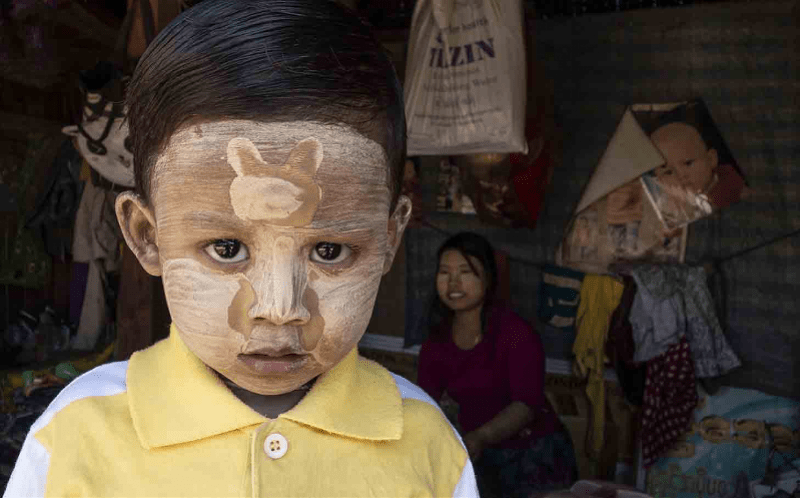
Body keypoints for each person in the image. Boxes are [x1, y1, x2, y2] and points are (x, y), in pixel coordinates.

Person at [3, 1, 479, 496]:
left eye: (330, 251)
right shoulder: (77, 435)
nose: (279, 310)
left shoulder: (428, 448)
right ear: (148, 236)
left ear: (388, 240)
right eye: (227, 248)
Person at [417, 232, 578, 498]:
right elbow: (426, 404)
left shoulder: (515, 333)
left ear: (488, 277)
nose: (453, 282)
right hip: (479, 455)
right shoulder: (436, 342)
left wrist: (481, 437)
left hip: (535, 455)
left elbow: (526, 404)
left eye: (466, 271)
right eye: (444, 272)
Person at [650, 120, 745, 215]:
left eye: (688, 163)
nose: (680, 175)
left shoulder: (729, 180)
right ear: (660, 181)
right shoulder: (666, 201)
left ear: (711, 159)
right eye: (668, 172)